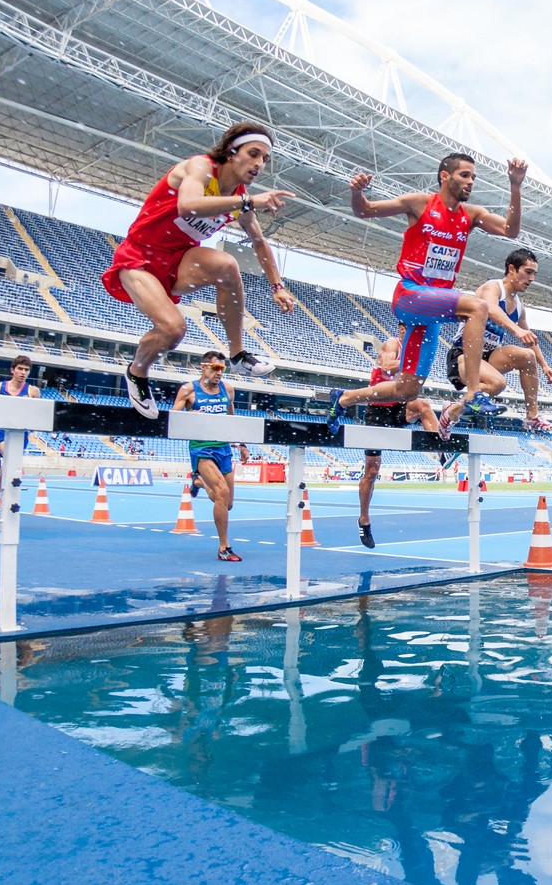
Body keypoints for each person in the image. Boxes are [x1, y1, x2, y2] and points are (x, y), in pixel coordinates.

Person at [327, 154, 529, 435]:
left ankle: (345, 398)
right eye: (464, 175)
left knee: (408, 389)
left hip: (433, 310)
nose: (470, 182)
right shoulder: (419, 203)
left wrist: (515, 186)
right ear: (444, 176)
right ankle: (472, 394)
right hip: (410, 295)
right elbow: (365, 210)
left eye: (473, 177)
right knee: (478, 307)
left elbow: (511, 230)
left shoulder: (471, 215)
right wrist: (357, 192)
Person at [105, 122, 294, 418]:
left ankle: (236, 353)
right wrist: (247, 201)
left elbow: (259, 242)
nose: (259, 164)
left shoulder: (240, 197)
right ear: (231, 152)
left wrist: (277, 286)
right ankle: (137, 371)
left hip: (178, 261)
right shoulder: (200, 167)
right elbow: (188, 206)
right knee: (173, 330)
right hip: (139, 258)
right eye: (253, 153)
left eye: (265, 159)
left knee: (227, 265)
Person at [444, 248, 552, 433]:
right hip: (463, 355)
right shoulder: (493, 287)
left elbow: (529, 338)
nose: (532, 279)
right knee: (497, 384)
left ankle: (532, 417)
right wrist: (516, 330)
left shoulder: (520, 307)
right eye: (528, 272)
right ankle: (452, 412)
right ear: (512, 269)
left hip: (489, 357)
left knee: (528, 355)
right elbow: (490, 308)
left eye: (534, 274)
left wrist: (544, 365)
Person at [357, 336, 440, 549]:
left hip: (397, 409)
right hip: (377, 411)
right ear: (403, 328)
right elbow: (386, 366)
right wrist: (414, 364)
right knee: (372, 471)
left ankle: (441, 449)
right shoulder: (393, 344)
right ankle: (364, 519)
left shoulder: (417, 350)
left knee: (423, 406)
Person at [172, 351, 244, 561]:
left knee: (227, 502)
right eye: (216, 368)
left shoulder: (227, 389)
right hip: (201, 449)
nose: (220, 373)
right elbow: (173, 420)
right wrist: (188, 416)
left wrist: (241, 444)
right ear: (204, 367)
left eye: (223, 369)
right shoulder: (188, 390)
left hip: (223, 448)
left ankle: (199, 482)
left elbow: (232, 419)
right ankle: (224, 548)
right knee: (221, 492)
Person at [0, 355, 40, 526]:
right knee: (9, 462)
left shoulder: (33, 391)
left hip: (20, 435)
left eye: (26, 370)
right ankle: (2, 508)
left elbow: (38, 414)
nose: (23, 372)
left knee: (6, 471)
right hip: (2, 433)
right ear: (12, 370)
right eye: (20, 369)